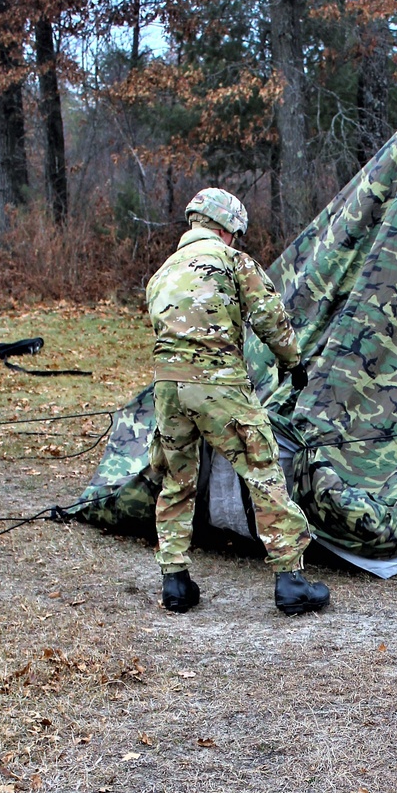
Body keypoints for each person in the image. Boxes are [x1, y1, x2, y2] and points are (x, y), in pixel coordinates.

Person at [145, 187, 330, 616]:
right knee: (262, 469)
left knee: (177, 478)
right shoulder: (230, 261)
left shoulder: (162, 274)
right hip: (219, 383)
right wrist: (293, 361)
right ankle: (291, 580)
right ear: (227, 228)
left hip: (167, 387)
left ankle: (175, 582)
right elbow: (268, 314)